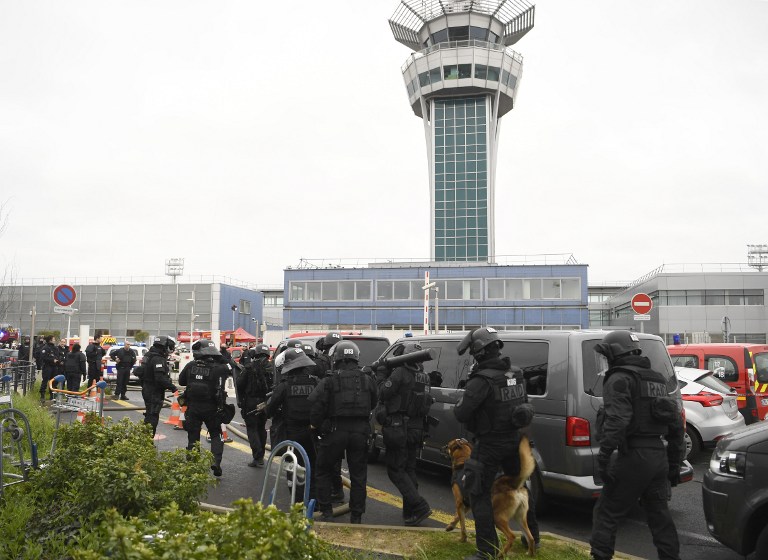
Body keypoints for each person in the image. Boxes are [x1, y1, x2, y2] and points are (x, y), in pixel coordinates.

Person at [589, 330, 685, 560]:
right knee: (660, 517)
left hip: (634, 457)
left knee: (606, 513)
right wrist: (674, 463)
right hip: (657, 456)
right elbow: (676, 424)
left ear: (615, 354)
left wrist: (603, 460)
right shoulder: (657, 379)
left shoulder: (618, 379)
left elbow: (618, 420)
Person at [453, 327, 534, 560]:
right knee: (520, 486)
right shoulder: (516, 373)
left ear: (478, 352)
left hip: (489, 444)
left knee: (477, 493)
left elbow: (462, 413)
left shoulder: (482, 380)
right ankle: (532, 538)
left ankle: (487, 550)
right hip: (514, 439)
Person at [309, 340, 377, 524]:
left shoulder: (329, 380)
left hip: (335, 431)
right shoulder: (368, 379)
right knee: (358, 475)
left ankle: (327, 512)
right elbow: (374, 402)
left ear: (337, 358)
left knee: (323, 470)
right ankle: (356, 516)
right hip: (360, 432)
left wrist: (316, 425)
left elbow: (315, 404)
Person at [376, 341, 433, 526]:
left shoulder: (400, 373)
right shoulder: (424, 376)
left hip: (400, 427)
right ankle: (410, 513)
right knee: (409, 469)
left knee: (395, 470)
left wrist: (381, 374)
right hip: (416, 429)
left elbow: (383, 393)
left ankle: (418, 505)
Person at [266, 347, 318, 499]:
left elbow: (270, 409)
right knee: (312, 466)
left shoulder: (284, 385)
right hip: (313, 432)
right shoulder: (316, 382)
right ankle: (314, 501)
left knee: (292, 466)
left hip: (292, 434)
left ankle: (297, 501)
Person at [179, 339, 233, 477]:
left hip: (193, 407)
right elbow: (231, 369)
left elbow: (181, 381)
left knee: (193, 436)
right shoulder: (219, 368)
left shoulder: (191, 366)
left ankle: (192, 464)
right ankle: (216, 462)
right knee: (216, 434)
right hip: (212, 408)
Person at [236, 343, 272, 467]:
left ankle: (257, 457)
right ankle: (261, 455)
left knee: (252, 429)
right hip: (266, 402)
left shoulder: (249, 367)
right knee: (262, 428)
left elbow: (239, 384)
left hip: (251, 402)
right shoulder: (272, 367)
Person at [141, 335, 178, 437]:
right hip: (154, 391)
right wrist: (172, 387)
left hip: (147, 388)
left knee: (150, 414)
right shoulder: (158, 358)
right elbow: (160, 378)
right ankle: (147, 440)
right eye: (168, 347)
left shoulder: (149, 355)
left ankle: (144, 439)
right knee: (153, 416)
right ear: (164, 346)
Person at [39, 335, 59, 401]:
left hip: (54, 367)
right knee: (45, 381)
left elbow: (57, 356)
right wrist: (52, 360)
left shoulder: (55, 348)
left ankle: (52, 395)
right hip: (47, 367)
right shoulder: (45, 348)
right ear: (50, 340)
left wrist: (57, 360)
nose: (54, 340)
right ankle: (42, 395)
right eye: (53, 339)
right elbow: (43, 357)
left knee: (53, 381)